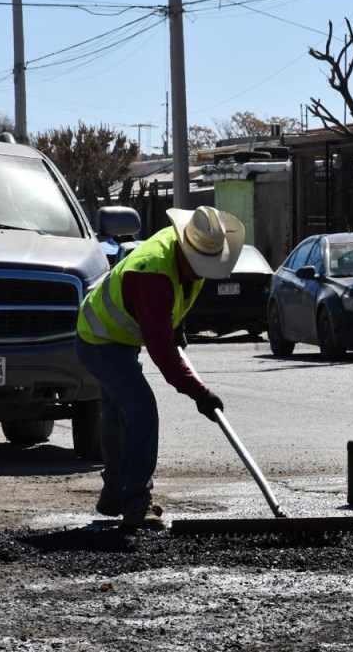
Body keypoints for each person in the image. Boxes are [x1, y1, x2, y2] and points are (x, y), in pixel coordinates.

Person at [75, 205, 245, 529]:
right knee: (140, 410)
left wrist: (175, 324)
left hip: (120, 337)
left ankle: (114, 495)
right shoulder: (151, 273)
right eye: (198, 264)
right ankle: (137, 503)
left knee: (116, 413)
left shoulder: (195, 250)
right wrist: (199, 393)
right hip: (97, 340)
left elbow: (177, 298)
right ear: (183, 247)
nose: (202, 270)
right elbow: (162, 352)